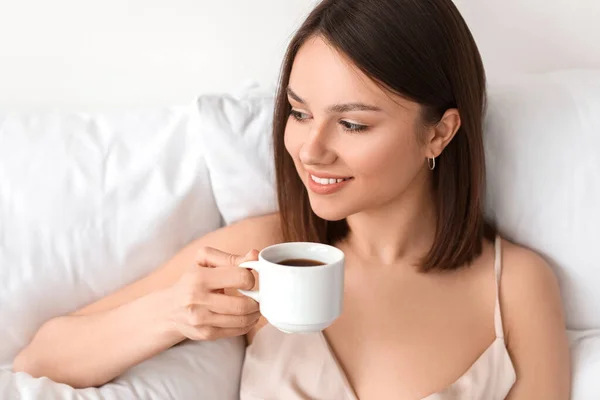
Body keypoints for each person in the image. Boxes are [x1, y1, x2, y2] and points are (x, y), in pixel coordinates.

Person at [14, 0, 570, 398]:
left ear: (439, 133)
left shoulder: (514, 285)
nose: (310, 149)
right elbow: (41, 358)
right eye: (299, 113)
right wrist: (170, 314)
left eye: (351, 124)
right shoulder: (267, 253)